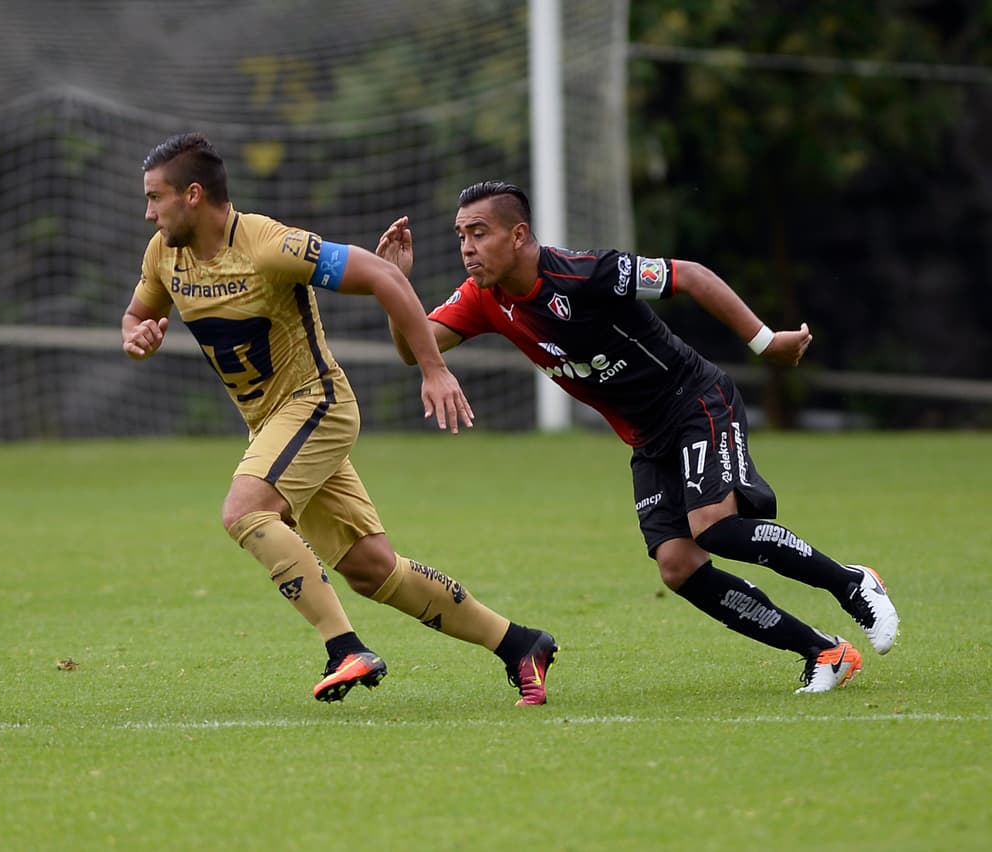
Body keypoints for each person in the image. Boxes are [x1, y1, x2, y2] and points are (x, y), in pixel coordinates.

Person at [376, 180, 900, 694]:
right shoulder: (483, 298)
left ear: (518, 235)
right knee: (678, 566)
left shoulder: (586, 273)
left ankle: (852, 583)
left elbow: (691, 276)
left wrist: (765, 342)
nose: (467, 248)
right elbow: (412, 348)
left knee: (715, 528)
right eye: (461, 236)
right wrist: (394, 285)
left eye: (479, 233)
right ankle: (824, 652)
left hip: (695, 400)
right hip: (647, 437)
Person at [122, 136, 557, 705]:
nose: (149, 213)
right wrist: (138, 336)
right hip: (272, 426)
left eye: (155, 198)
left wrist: (433, 369)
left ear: (194, 195)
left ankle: (344, 648)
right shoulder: (163, 254)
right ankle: (519, 643)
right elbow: (137, 314)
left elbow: (383, 277)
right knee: (373, 570)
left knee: (245, 510)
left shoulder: (269, 245)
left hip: (316, 404)